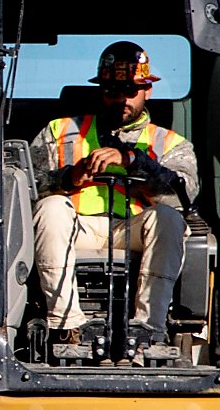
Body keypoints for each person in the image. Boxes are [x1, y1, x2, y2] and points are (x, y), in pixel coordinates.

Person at [31, 42, 199, 362]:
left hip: (134, 228)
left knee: (168, 219)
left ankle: (149, 328)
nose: (121, 97)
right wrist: (69, 177)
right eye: (112, 89)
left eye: (130, 89)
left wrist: (133, 160)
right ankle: (68, 327)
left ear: (147, 90)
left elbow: (183, 196)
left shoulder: (171, 144)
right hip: (75, 225)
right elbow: (26, 188)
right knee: (50, 208)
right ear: (101, 91)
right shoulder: (59, 131)